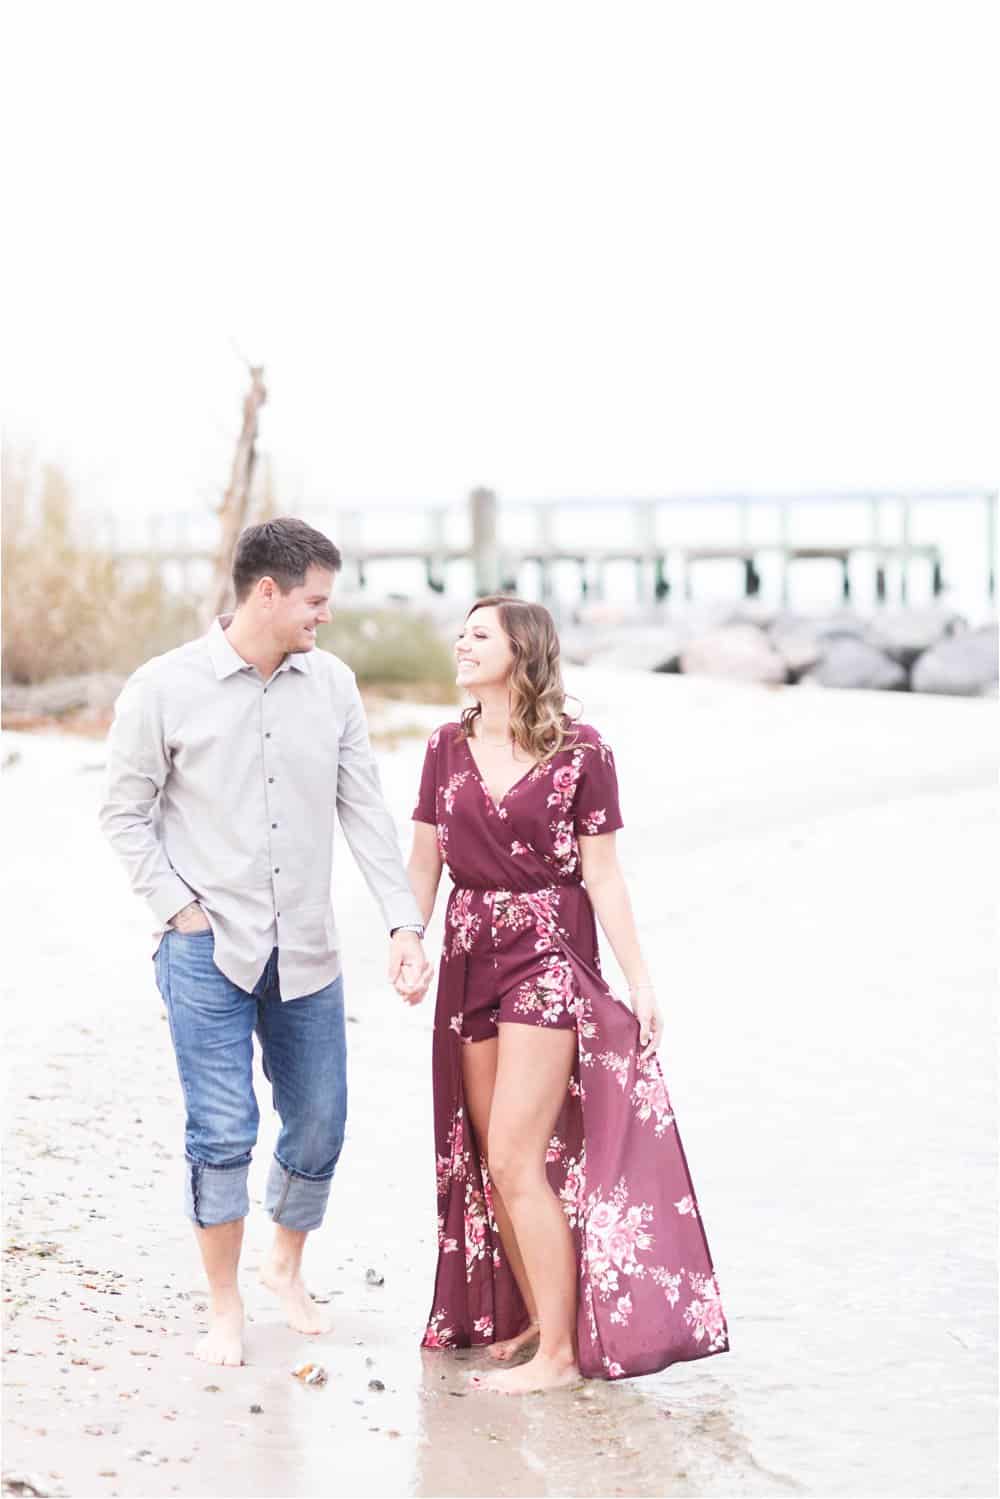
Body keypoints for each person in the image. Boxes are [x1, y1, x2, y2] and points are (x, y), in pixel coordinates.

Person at [99, 517, 433, 1368]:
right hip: (206, 949)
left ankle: (285, 1263)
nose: (325, 617)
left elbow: (363, 811)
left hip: (310, 950)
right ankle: (224, 1305)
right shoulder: (163, 686)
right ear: (268, 592)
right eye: (316, 600)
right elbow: (124, 813)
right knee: (221, 1128)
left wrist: (403, 921)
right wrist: (178, 908)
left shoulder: (335, 688)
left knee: (320, 1122)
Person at [404, 595, 728, 1393]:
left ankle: (559, 1357)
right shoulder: (445, 745)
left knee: (518, 1153)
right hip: (468, 954)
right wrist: (406, 937)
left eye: (480, 634)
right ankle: (543, 1322)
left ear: (523, 651)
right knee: (491, 1156)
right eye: (463, 631)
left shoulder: (583, 752)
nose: (462, 642)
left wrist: (641, 982)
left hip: (547, 953)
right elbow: (424, 863)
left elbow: (605, 875)